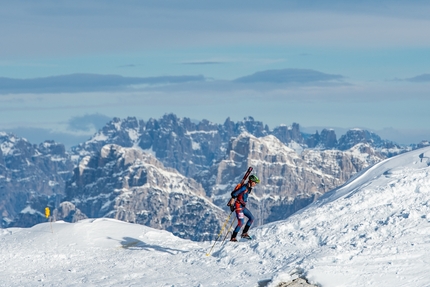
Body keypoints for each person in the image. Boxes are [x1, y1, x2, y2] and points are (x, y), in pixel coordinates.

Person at [230, 174, 260, 242]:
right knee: (241, 222)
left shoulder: (249, 188)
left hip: (242, 207)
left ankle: (244, 233)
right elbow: (234, 194)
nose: (255, 184)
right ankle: (233, 237)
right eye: (255, 182)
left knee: (251, 218)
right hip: (238, 206)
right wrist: (232, 205)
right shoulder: (244, 187)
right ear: (251, 181)